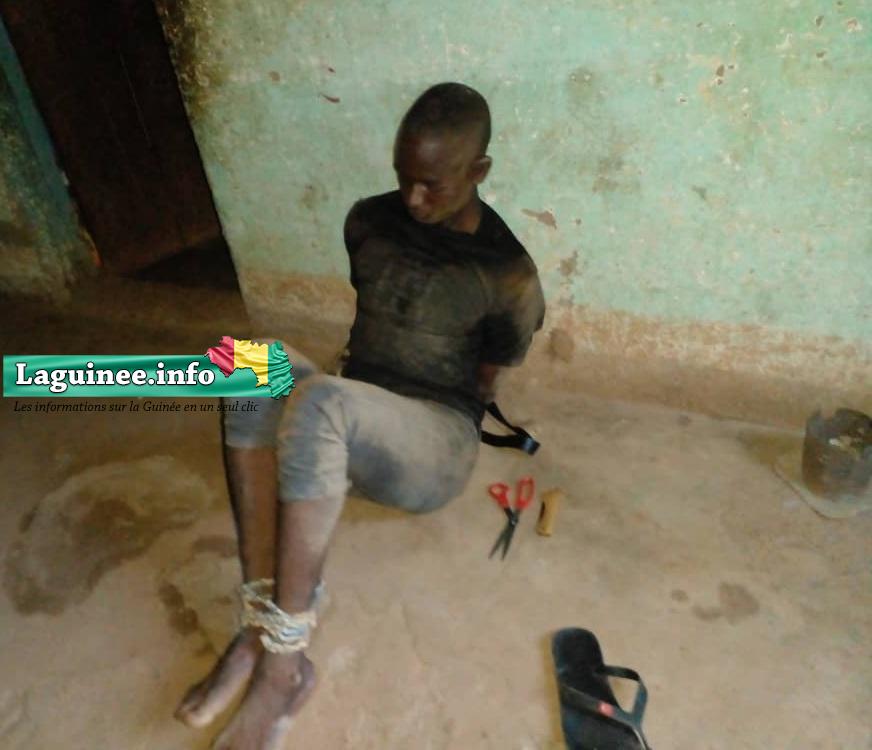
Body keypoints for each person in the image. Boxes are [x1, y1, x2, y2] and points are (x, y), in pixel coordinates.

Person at [175, 82, 545, 749]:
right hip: (353, 413)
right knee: (247, 361)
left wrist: (368, 414)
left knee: (324, 403)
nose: (414, 199)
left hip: (434, 445)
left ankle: (284, 671)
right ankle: (260, 625)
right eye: (405, 178)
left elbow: (486, 380)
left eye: (433, 185)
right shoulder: (368, 221)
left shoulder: (508, 273)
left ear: (479, 171)